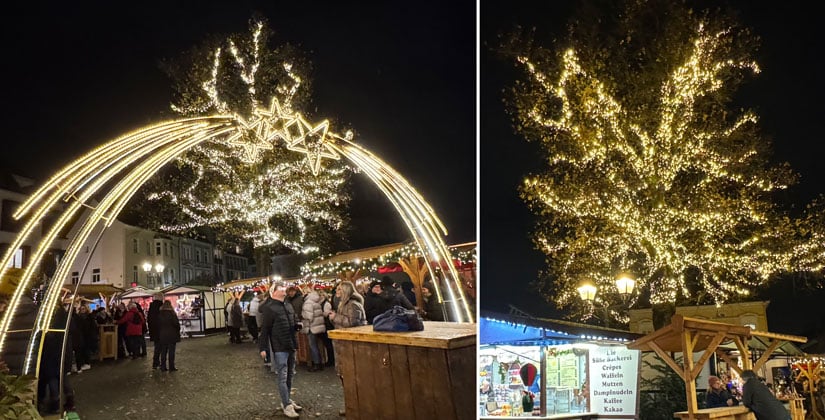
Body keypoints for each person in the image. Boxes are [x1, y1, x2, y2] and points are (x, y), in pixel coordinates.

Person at [258, 281, 303, 418]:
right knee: (282, 376)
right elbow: (265, 329)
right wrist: (263, 347)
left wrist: (296, 326)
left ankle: (287, 400)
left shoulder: (288, 305)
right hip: (279, 347)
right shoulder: (270, 308)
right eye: (281, 288)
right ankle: (286, 404)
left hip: (291, 344)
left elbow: (292, 321)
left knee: (290, 374)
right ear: (274, 291)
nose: (284, 290)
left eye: (284, 288)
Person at [329, 281, 367, 416]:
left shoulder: (353, 304)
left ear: (345, 291)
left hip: (349, 345)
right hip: (342, 344)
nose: (336, 292)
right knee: (344, 375)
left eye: (339, 289)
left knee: (350, 375)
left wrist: (335, 317)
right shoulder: (343, 304)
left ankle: (355, 404)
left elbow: (353, 323)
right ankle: (350, 403)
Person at [301, 287, 327, 371]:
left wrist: (303, 315)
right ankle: (321, 362)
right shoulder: (316, 301)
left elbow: (309, 316)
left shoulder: (308, 303)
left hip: (311, 327)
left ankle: (316, 364)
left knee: (313, 346)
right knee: (318, 345)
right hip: (318, 326)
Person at [157, 300, 181, 371]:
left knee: (163, 351)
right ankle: (171, 367)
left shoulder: (159, 314)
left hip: (163, 335)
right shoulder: (172, 314)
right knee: (171, 352)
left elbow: (157, 326)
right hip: (172, 335)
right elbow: (176, 324)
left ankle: (163, 367)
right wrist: (177, 330)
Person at [147, 292, 163, 369]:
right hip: (161, 330)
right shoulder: (160, 305)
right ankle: (157, 363)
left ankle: (156, 363)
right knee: (161, 347)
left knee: (157, 346)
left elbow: (149, 319)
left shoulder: (151, 306)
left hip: (154, 330)